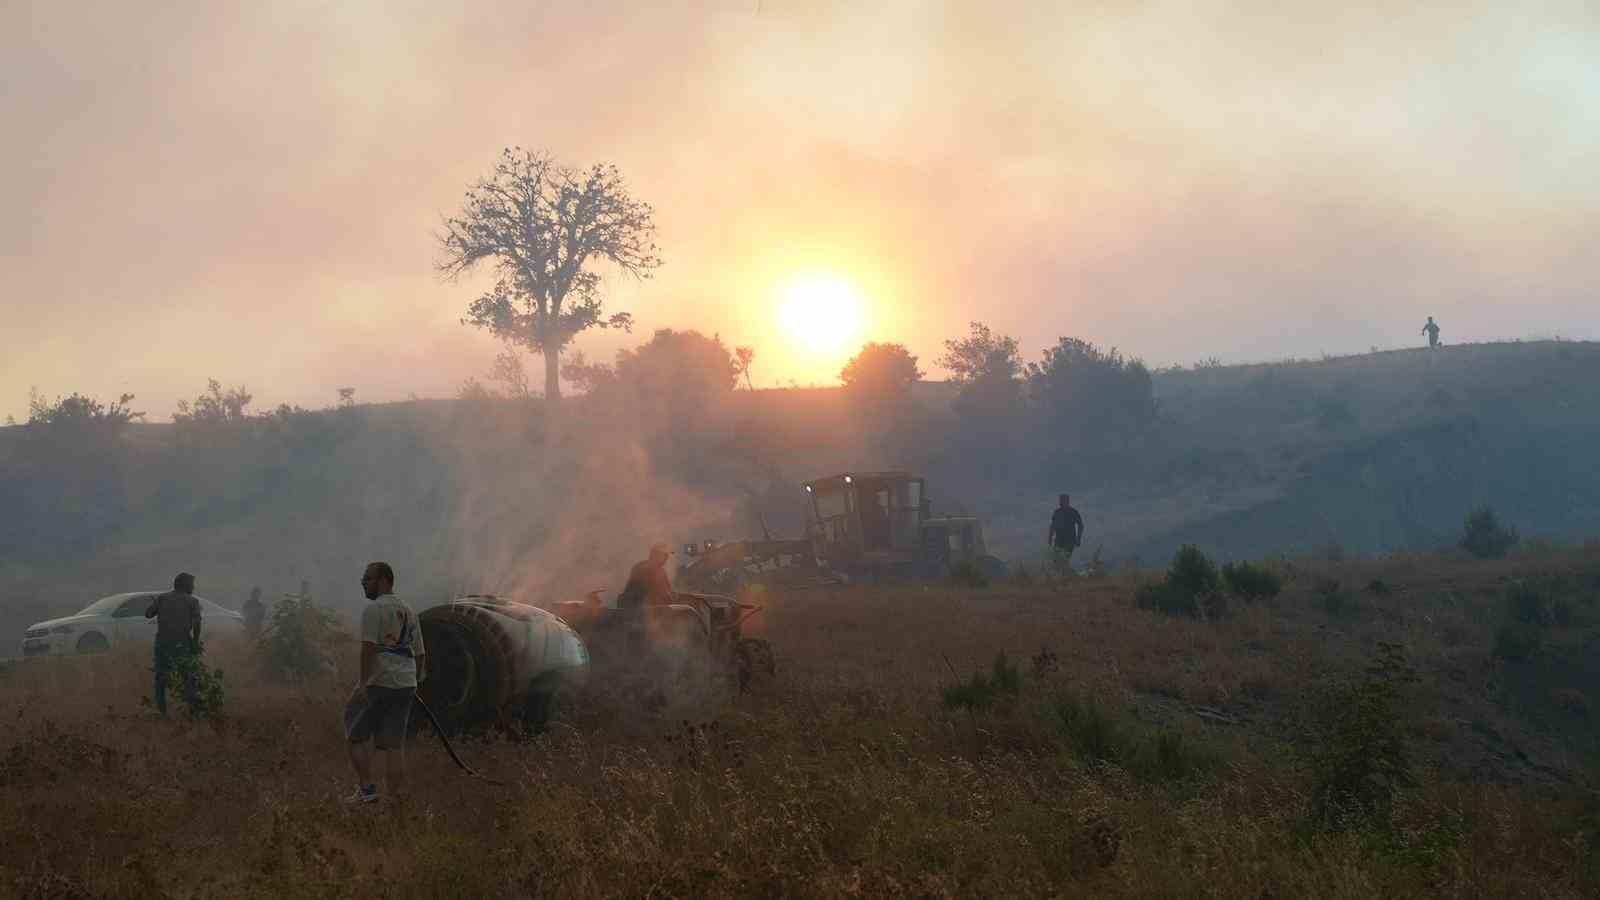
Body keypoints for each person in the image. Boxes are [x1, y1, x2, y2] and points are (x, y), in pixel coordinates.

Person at [344, 561, 426, 805]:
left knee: (354, 734)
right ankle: (396, 798)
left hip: (379, 681)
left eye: (367, 579)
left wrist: (362, 684)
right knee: (394, 744)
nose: (363, 583)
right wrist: (415, 682)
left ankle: (367, 790)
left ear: (383, 580)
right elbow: (421, 653)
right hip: (406, 683)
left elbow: (368, 649)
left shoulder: (374, 610)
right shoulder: (409, 610)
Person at [145, 572, 202, 716]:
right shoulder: (192, 601)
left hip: (162, 643)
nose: (193, 587)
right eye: (192, 584)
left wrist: (154, 604)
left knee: (161, 677)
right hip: (182, 643)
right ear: (185, 585)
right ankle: (193, 711)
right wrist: (195, 643)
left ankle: (161, 711)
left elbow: (148, 614)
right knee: (188, 676)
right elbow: (197, 624)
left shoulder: (162, 598)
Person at [618, 543, 675, 610]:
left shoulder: (660, 570)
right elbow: (648, 592)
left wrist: (672, 595)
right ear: (655, 555)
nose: (666, 558)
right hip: (639, 608)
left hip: (646, 607)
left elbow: (668, 591)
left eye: (667, 556)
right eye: (665, 555)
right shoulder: (644, 568)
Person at [1047, 494, 1085, 575]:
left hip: (1070, 540)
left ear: (1067, 501)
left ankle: (1071, 577)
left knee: (1064, 560)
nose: (1060, 502)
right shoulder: (1057, 512)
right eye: (1060, 500)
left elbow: (1081, 525)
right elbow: (1053, 525)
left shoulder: (1073, 512)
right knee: (1056, 561)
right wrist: (1050, 537)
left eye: (1062, 500)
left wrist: (1078, 538)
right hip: (1058, 540)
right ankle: (1067, 577)